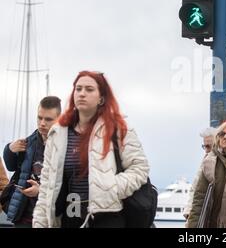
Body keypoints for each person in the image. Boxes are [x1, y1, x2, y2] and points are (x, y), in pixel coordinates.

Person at [32, 71, 149, 228]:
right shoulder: (58, 133)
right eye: (78, 89)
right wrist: (40, 223)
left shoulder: (119, 128)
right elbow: (47, 185)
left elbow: (140, 168)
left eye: (89, 89)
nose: (82, 94)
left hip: (107, 217)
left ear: (101, 98)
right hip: (69, 217)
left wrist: (113, 188)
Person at [2, 96, 61, 227]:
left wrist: (40, 191)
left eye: (48, 119)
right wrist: (9, 150)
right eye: (39, 118)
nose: (42, 123)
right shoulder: (29, 142)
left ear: (59, 119)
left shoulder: (67, 145)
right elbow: (11, 167)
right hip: (25, 215)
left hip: (51, 217)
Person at [183, 127, 216, 221]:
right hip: (203, 213)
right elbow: (195, 188)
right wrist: (189, 210)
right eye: (204, 146)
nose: (206, 150)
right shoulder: (206, 160)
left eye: (208, 146)